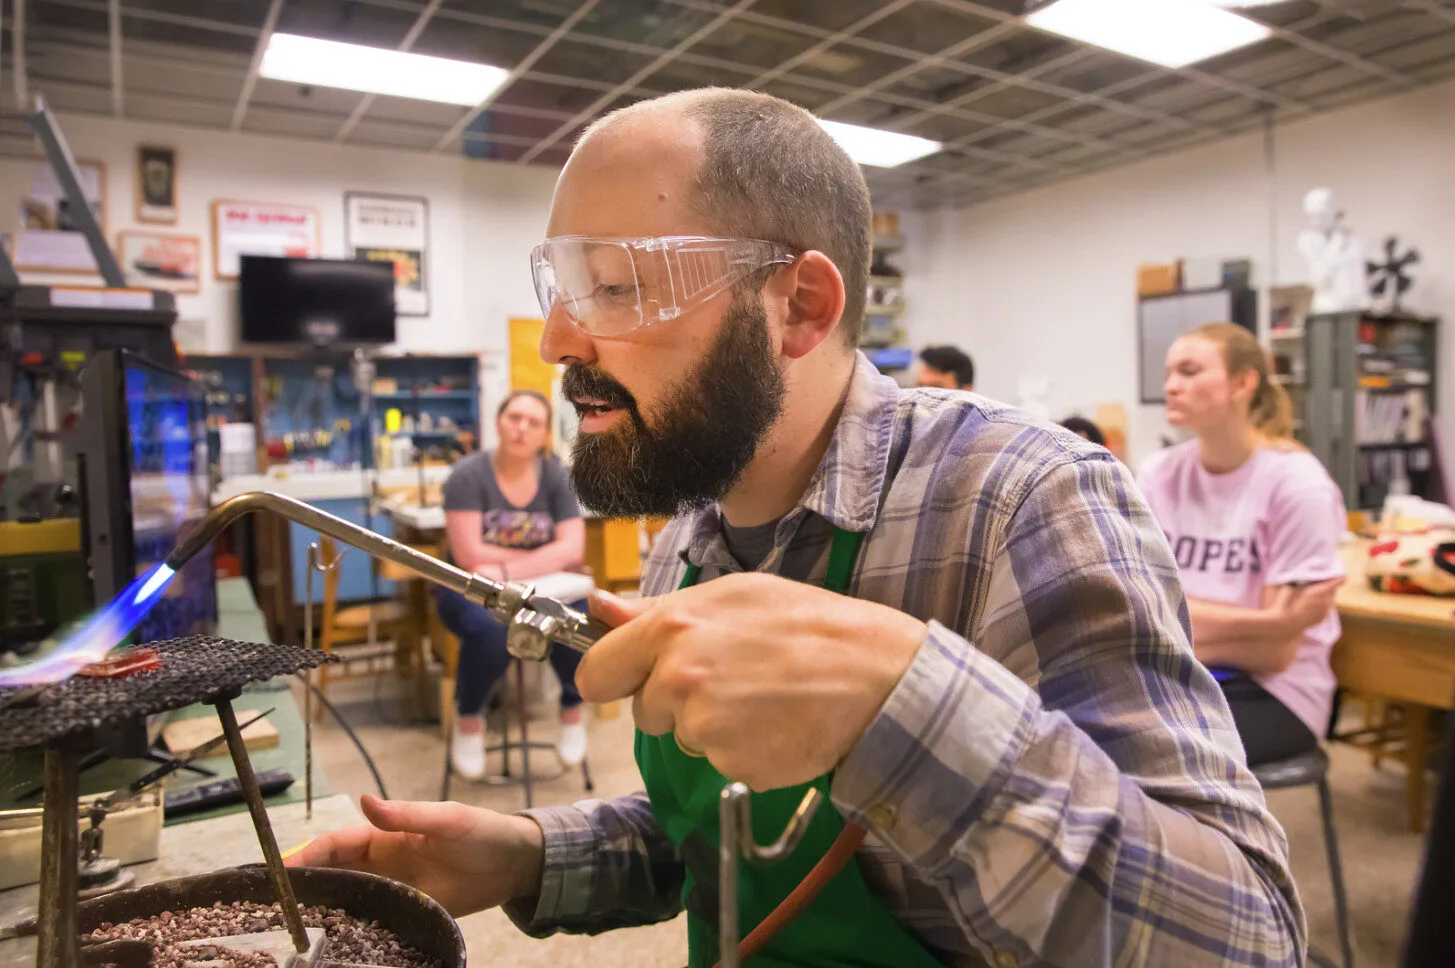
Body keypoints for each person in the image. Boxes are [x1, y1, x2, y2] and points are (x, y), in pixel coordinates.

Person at [290, 89, 1302, 966]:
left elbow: (1244, 938)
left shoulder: (1023, 498)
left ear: (800, 306)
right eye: (560, 287)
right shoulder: (692, 523)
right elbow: (730, 837)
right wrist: (526, 850)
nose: (558, 340)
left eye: (618, 284)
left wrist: (897, 705)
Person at [1139, 322, 1346, 767]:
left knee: (1141, 752)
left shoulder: (1298, 484)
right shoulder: (1158, 473)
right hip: (1185, 672)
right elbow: (1141, 609)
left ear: (1244, 381)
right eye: (1170, 372)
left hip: (1276, 693)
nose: (1172, 386)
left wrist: (1179, 620)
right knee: (1072, 722)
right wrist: (1270, 621)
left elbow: (1276, 654)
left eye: (1190, 371)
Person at [434, 389, 589, 777]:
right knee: (489, 627)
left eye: (533, 422)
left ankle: (573, 707)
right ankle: (469, 717)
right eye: (514, 417)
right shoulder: (467, 475)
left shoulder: (557, 478)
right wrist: (542, 559)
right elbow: (469, 556)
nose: (522, 428)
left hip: (539, 588)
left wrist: (503, 569)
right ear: (498, 421)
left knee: (578, 617)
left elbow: (573, 549)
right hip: (471, 588)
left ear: (545, 434)